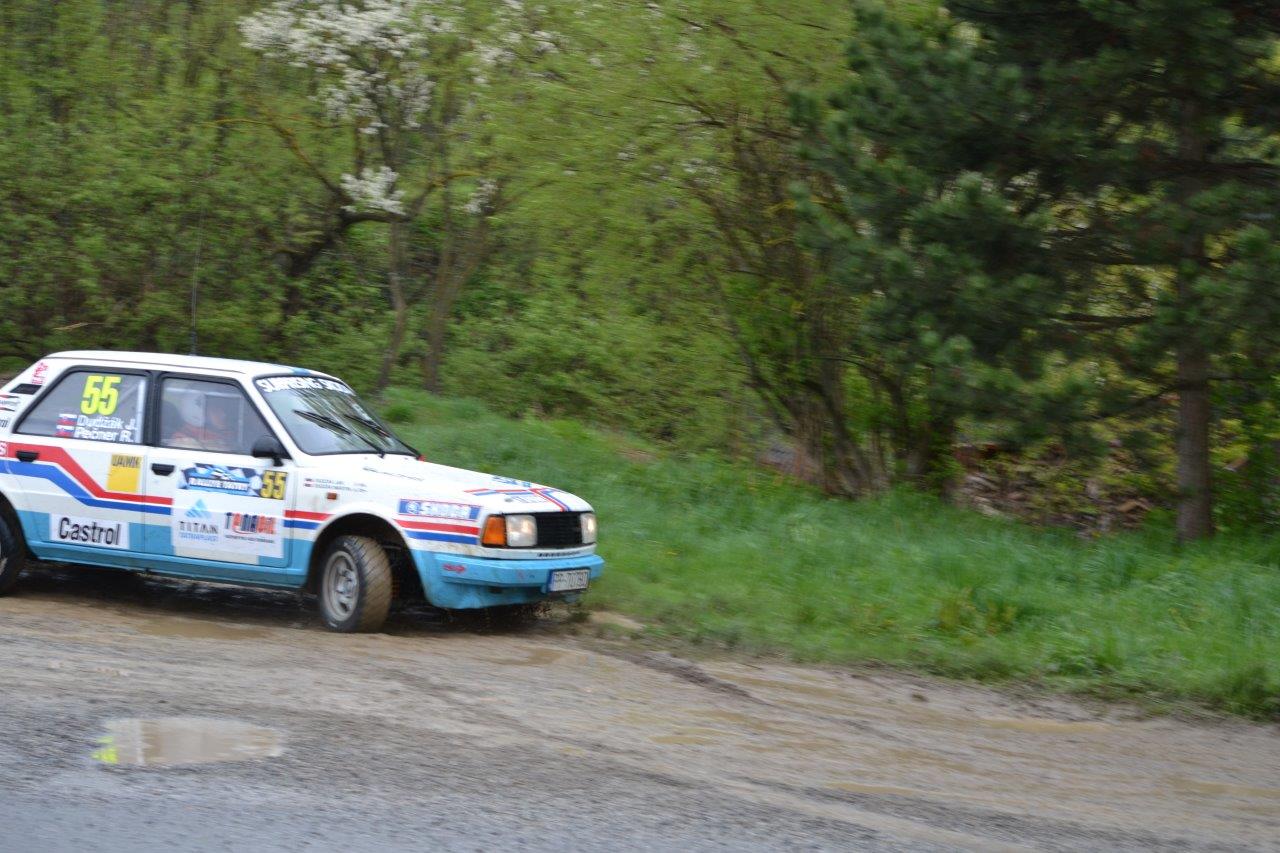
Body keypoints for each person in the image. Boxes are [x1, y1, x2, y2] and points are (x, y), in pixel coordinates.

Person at [167, 393, 238, 452]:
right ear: (197, 412)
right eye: (215, 410)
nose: (223, 414)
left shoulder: (219, 435)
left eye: (223, 409)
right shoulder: (183, 442)